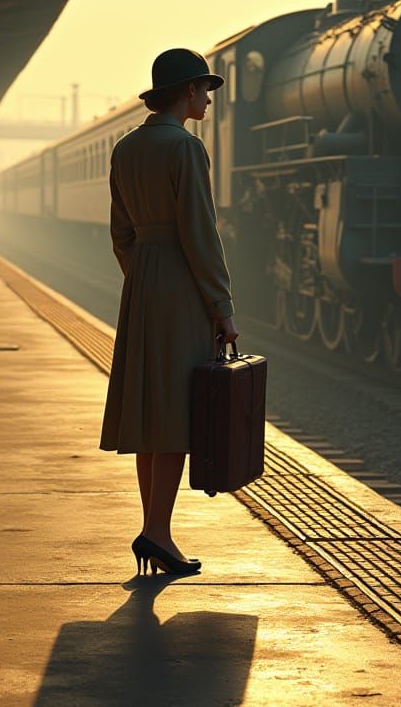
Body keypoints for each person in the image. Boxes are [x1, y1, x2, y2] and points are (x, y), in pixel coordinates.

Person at [100, 49, 239, 576]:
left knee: (148, 415)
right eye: (204, 90)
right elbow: (201, 234)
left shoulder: (125, 148)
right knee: (178, 414)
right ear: (185, 92)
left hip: (141, 284)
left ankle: (152, 528)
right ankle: (157, 531)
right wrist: (221, 306)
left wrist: (142, 276)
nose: (207, 99)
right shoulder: (187, 148)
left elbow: (120, 233)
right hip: (181, 286)